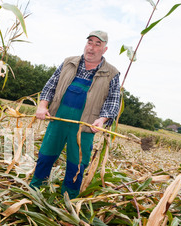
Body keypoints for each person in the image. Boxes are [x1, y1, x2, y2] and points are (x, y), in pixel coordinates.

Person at [30, 30, 121, 199]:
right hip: (58, 120)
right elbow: (51, 85)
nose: (91, 48)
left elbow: (113, 101)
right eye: (90, 42)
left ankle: (69, 200)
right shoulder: (68, 63)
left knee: (77, 164)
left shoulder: (112, 74)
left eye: (97, 44)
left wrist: (102, 119)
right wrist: (43, 106)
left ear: (105, 49)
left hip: (84, 127)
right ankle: (35, 191)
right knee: (45, 156)